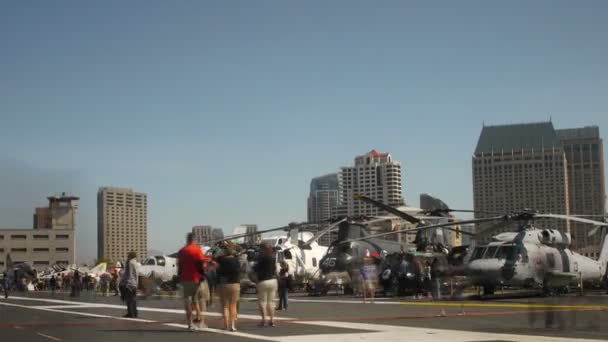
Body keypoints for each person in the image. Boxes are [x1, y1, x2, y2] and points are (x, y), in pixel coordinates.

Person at [177, 233, 207, 331]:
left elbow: (179, 266)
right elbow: (202, 263)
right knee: (198, 300)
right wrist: (203, 274)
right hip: (196, 279)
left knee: (187, 301)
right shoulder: (197, 249)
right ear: (194, 239)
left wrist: (179, 277)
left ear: (187, 239)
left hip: (185, 279)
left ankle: (190, 323)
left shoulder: (181, 251)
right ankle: (200, 321)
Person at [216, 247, 241, 331]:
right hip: (235, 283)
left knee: (225, 306)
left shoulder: (221, 260)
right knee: (233, 305)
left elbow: (215, 258)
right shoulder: (236, 260)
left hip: (224, 284)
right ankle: (232, 326)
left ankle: (226, 325)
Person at [254, 243, 278, 327]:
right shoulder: (273, 258)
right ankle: (272, 320)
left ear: (263, 249)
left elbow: (255, 269)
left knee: (262, 302)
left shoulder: (261, 258)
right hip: (273, 280)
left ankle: (264, 320)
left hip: (263, 281)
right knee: (271, 302)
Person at [120, 251, 139, 318]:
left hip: (129, 283)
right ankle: (135, 313)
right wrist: (136, 284)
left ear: (130, 256)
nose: (127, 256)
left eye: (128, 255)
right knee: (133, 299)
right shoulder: (136, 263)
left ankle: (130, 313)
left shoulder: (130, 262)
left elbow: (129, 274)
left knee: (129, 299)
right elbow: (136, 274)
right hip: (134, 283)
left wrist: (127, 283)